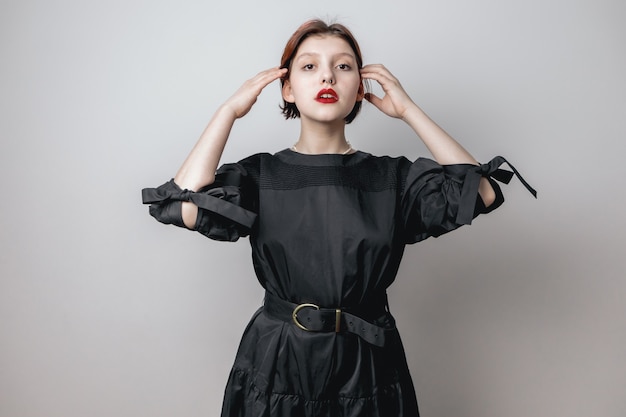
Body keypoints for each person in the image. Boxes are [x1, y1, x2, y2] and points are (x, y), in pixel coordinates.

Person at [142, 19, 536, 417]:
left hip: (367, 367)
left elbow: (482, 191)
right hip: (277, 362)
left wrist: (408, 110)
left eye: (344, 66)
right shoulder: (260, 176)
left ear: (360, 88)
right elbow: (183, 204)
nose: (327, 75)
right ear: (288, 88)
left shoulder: (392, 178)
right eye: (309, 66)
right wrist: (227, 112)